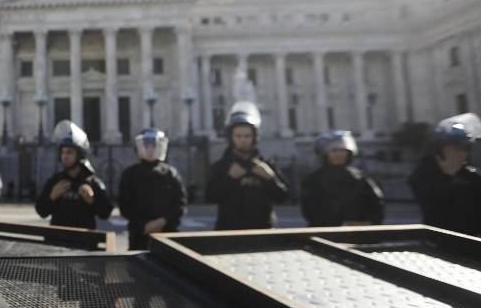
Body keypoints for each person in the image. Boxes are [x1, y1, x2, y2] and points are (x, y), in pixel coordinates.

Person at [205, 101, 288, 230]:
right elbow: (210, 196)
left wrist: (270, 178)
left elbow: (283, 197)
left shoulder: (265, 165)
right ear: (231, 138)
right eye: (238, 136)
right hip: (229, 233)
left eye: (247, 136)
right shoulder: (222, 166)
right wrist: (229, 179)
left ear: (254, 138)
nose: (243, 140)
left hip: (263, 233)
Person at [409, 113, 481, 237]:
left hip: (474, 244)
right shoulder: (424, 175)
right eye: (455, 148)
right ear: (441, 149)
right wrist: (449, 175)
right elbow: (432, 206)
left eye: (465, 148)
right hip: (440, 242)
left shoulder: (474, 178)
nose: (461, 153)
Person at [35, 120, 113, 229]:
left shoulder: (92, 182)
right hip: (57, 241)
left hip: (83, 242)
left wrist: (92, 200)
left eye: (70, 152)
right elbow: (41, 211)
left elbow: (106, 213)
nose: (65, 156)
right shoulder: (55, 181)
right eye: (63, 152)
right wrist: (52, 196)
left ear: (80, 155)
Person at [118, 128, 186, 249]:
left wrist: (163, 220)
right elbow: (124, 206)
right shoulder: (130, 174)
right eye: (146, 146)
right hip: (139, 234)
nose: (150, 150)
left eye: (154, 146)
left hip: (168, 232)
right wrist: (143, 225)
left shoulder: (170, 173)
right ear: (139, 147)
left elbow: (180, 204)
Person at [300, 130, 384, 227]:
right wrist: (337, 224)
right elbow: (310, 211)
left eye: (342, 150)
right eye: (334, 150)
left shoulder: (360, 177)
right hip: (325, 232)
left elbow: (377, 204)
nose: (339, 154)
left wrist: (367, 223)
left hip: (358, 234)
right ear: (324, 154)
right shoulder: (313, 180)